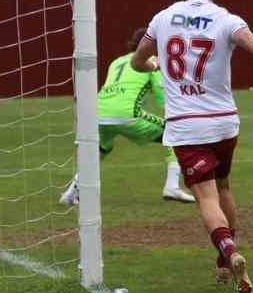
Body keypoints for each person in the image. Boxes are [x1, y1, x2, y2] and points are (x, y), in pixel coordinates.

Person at [130, 0, 253, 293]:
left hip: (186, 125)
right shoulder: (226, 19)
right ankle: (224, 261)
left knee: (205, 197)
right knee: (224, 186)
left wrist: (153, 64)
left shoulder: (162, 18)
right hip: (223, 122)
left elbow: (137, 60)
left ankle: (229, 252)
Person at [60, 28, 197, 208]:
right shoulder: (152, 62)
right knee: (176, 134)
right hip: (126, 114)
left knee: (100, 150)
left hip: (97, 113)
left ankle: (71, 192)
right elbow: (162, 98)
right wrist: (178, 120)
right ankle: (172, 186)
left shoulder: (117, 62)